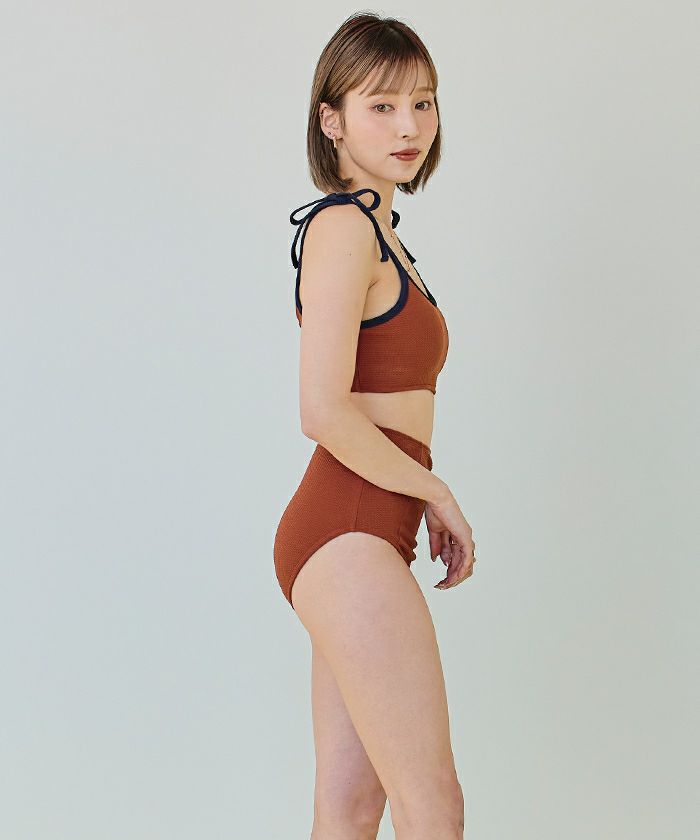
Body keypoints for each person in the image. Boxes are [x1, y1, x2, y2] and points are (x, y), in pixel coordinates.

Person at [273, 12, 477, 840]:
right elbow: (321, 409)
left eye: (422, 103)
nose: (409, 127)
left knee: (352, 807)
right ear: (332, 119)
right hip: (349, 523)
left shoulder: (381, 231)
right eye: (382, 106)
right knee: (433, 803)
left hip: (364, 527)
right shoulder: (342, 227)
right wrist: (435, 489)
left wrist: (415, 497)